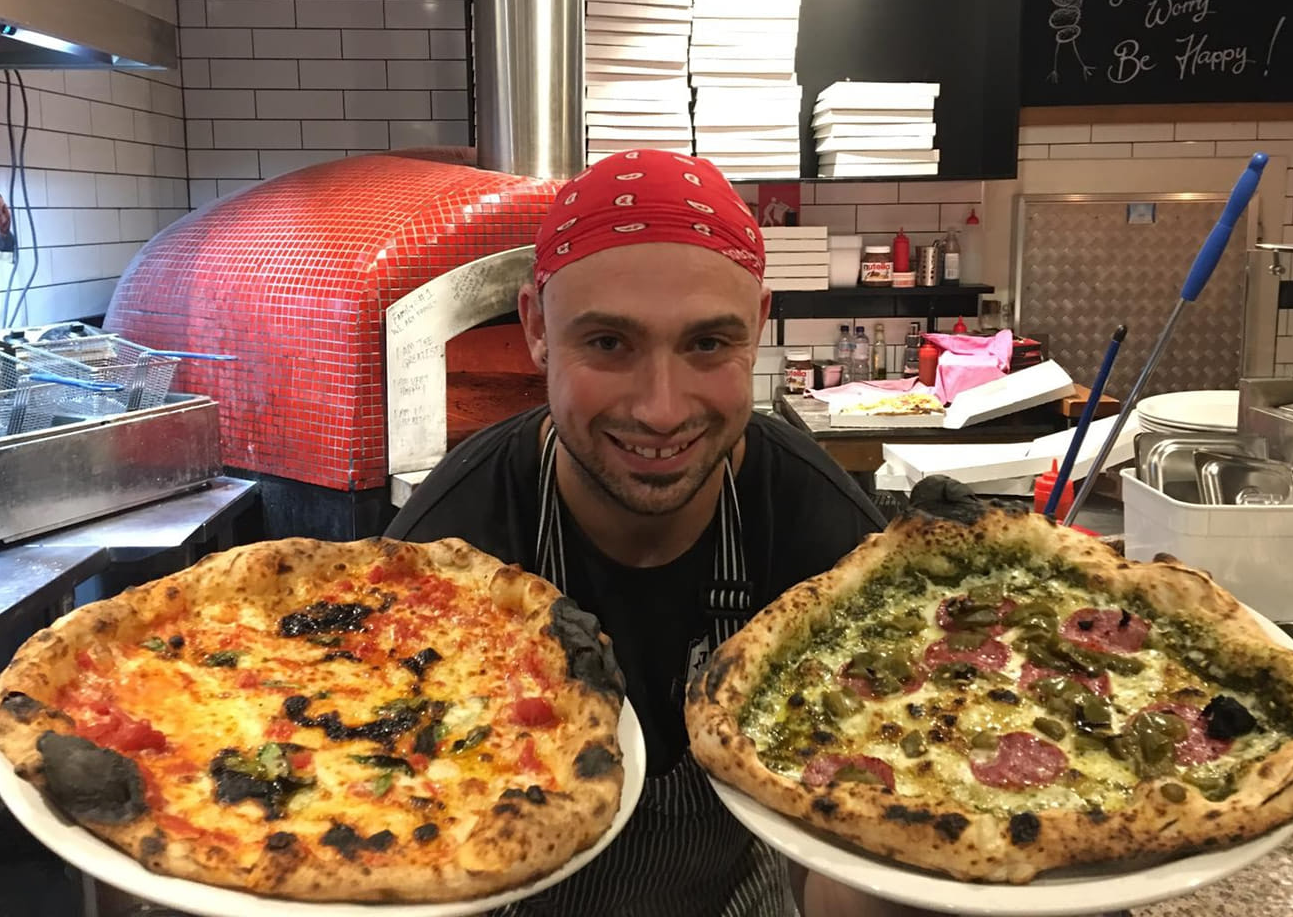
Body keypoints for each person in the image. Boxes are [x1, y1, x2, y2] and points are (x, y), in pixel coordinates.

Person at [385, 149, 923, 916]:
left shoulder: (825, 535)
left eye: (708, 344)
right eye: (608, 343)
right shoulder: (444, 552)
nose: (663, 410)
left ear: (759, 328)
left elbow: (869, 828)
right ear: (536, 327)